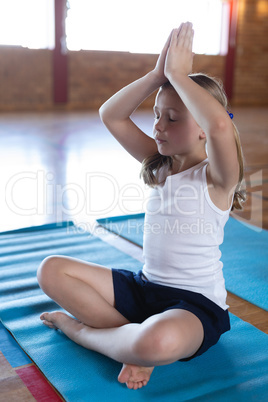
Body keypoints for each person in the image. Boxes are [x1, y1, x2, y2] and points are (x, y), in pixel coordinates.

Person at [37, 22, 245, 390]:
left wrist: (179, 75)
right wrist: (156, 75)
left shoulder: (217, 178)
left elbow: (221, 128)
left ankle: (83, 332)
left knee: (156, 342)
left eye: (173, 118)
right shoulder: (160, 163)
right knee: (50, 270)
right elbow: (111, 114)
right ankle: (128, 342)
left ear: (201, 129)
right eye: (156, 115)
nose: (159, 127)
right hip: (144, 288)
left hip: (193, 307)